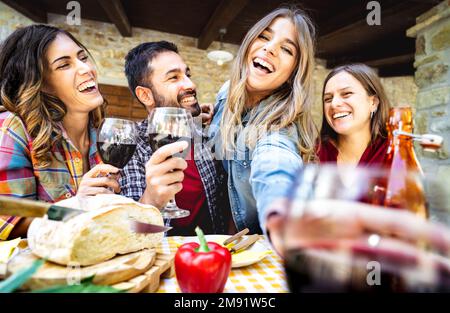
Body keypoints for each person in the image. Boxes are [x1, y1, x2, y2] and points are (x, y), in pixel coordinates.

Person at [0, 25, 120, 240]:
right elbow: (7, 223)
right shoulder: (14, 128)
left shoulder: (102, 132)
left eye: (83, 57)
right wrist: (76, 206)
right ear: (41, 83)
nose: (85, 68)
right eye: (64, 65)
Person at [208, 7, 317, 235]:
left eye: (287, 49)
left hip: (256, 249)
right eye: (264, 36)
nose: (270, 48)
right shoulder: (226, 93)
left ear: (294, 73)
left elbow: (275, 165)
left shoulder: (280, 129)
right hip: (216, 237)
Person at [120, 41, 231, 235]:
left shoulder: (206, 137)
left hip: (213, 253)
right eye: (174, 77)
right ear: (145, 95)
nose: (190, 84)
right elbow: (131, 232)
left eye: (187, 74)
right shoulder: (130, 147)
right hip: (160, 259)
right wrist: (151, 200)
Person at [317, 63, 390, 166]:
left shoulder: (393, 152)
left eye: (346, 94)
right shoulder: (313, 153)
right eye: (328, 99)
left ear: (373, 102)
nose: (334, 104)